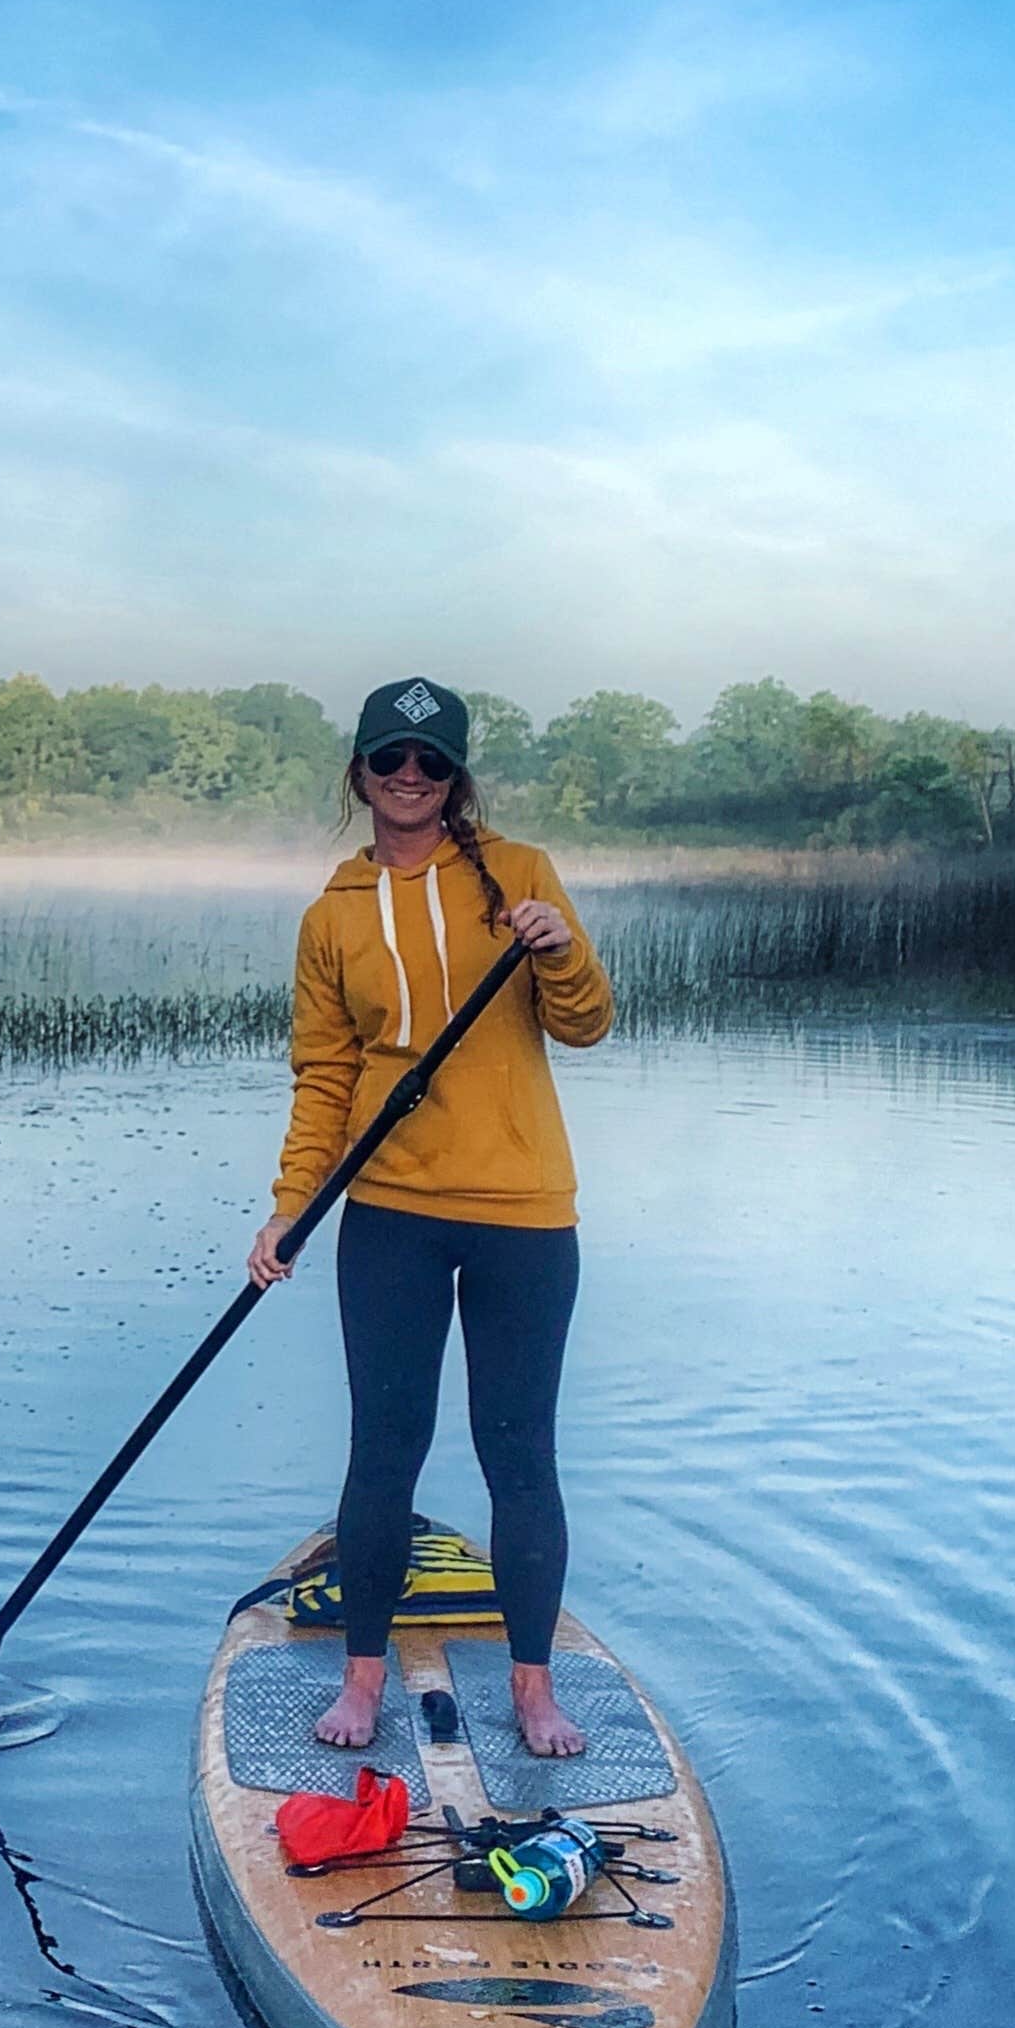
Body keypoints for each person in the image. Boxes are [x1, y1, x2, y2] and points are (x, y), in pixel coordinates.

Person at [248, 677, 614, 1761]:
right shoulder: (333, 916)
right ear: (359, 771)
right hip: (391, 1213)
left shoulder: (520, 875)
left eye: (432, 763)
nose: (410, 778)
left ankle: (535, 1689)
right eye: (389, 760)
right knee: (385, 1449)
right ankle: (362, 1682)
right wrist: (290, 1209)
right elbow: (325, 1074)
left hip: (524, 1212)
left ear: (457, 780)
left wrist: (560, 950)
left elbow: (586, 1026)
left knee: (520, 1453)